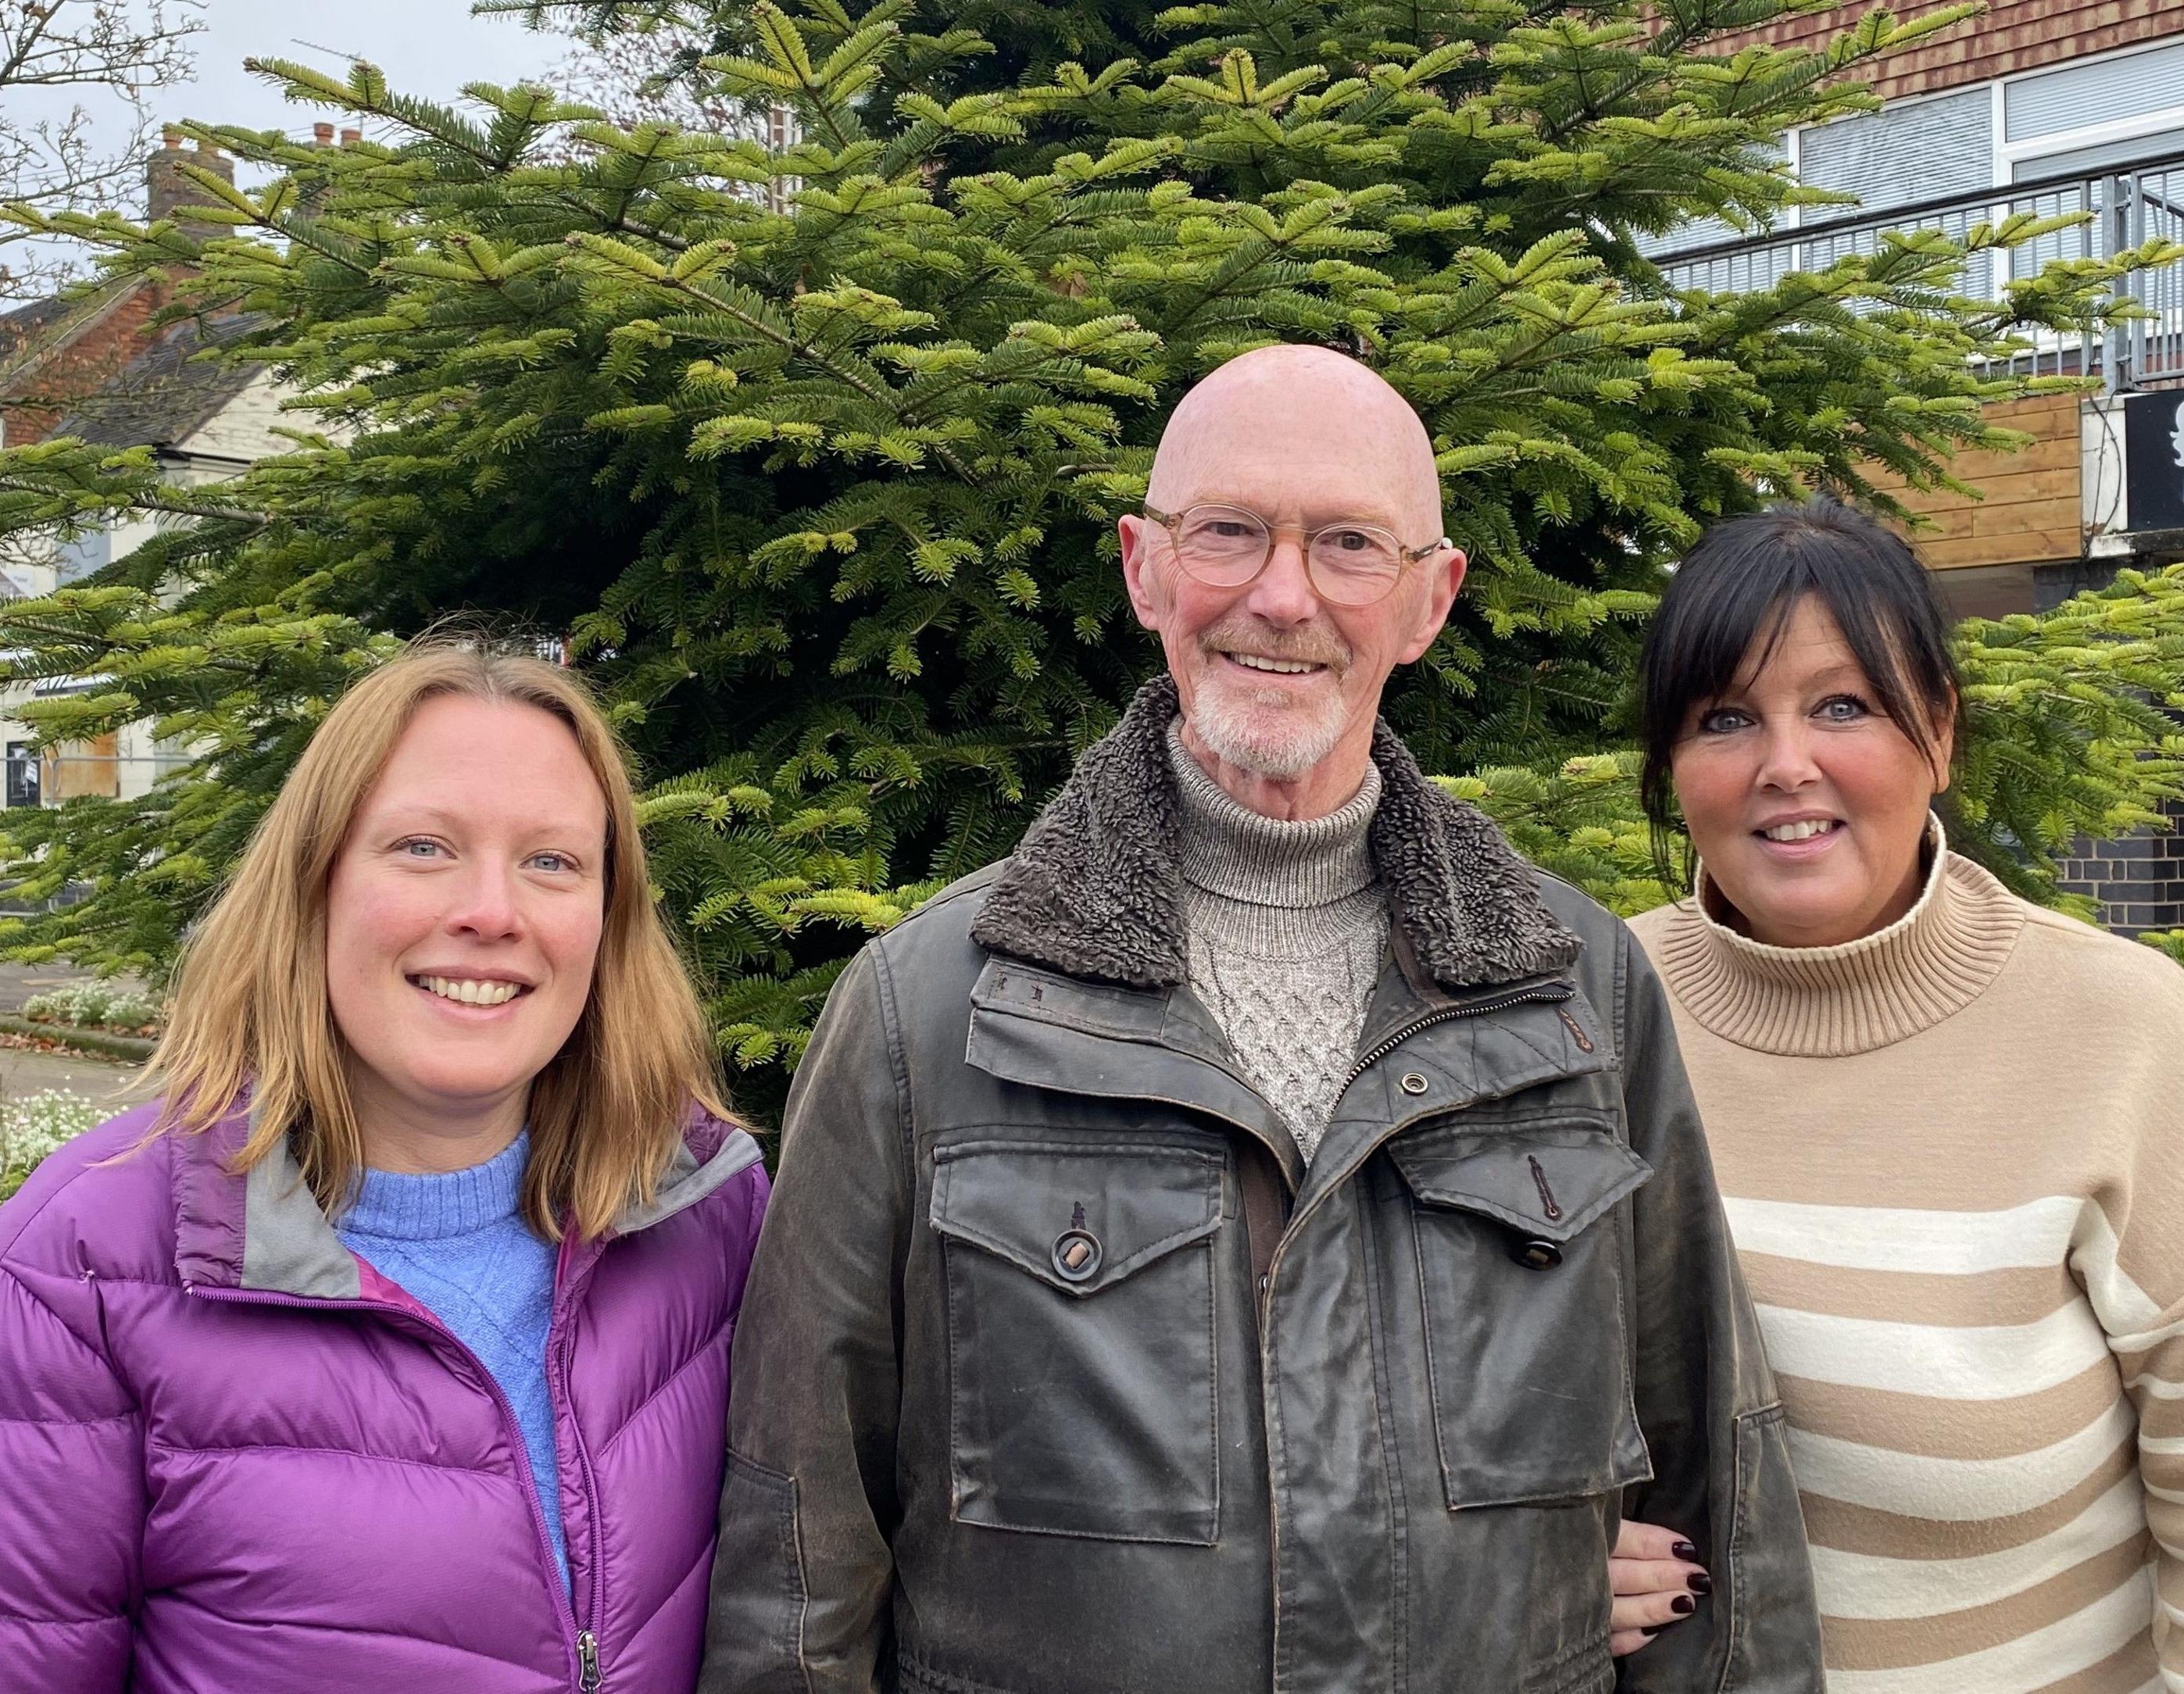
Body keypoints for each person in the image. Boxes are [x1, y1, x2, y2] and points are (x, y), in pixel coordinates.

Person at [698, 345, 1821, 1692]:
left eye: (1350, 544)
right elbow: (800, 1550)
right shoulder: (929, 1012)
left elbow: (1721, 1503)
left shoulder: (1575, 992)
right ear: (1145, 568)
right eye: (1229, 533)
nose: (1283, 597)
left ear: (1428, 600)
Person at [0, 643, 768, 1692]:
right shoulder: (79, 1276)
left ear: (607, 919)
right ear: (312, 886)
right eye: (422, 847)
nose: (493, 912)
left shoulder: (701, 1211)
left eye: (552, 862)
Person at [1625, 502, 2184, 1692]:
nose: (1784, 764)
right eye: (1725, 718)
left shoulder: (2122, 1031)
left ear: (1941, 735)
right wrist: (1538, 1545)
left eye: (1843, 705)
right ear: (1672, 766)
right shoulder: (1592, 1015)